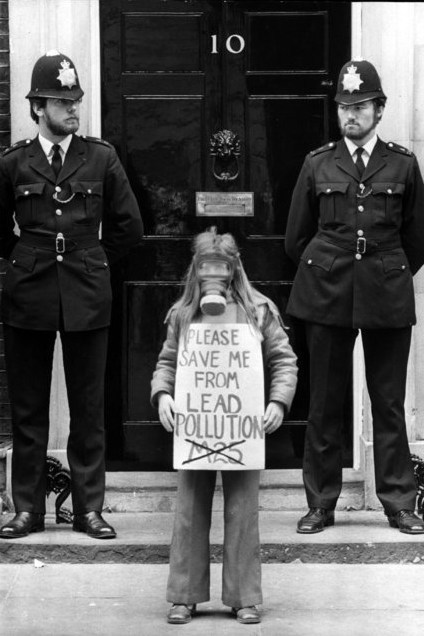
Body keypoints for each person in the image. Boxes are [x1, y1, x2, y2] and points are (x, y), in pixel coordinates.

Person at [0, 51, 143, 540]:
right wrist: (25, 254)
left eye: (75, 100)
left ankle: (88, 509)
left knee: (88, 408)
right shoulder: (15, 162)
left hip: (86, 290)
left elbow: (129, 226)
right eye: (62, 101)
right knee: (27, 408)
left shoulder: (100, 157)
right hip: (29, 291)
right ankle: (27, 510)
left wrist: (92, 257)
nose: (72, 110)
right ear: (38, 107)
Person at [285, 59, 424, 535]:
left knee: (387, 402)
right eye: (345, 106)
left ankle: (399, 502)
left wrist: (384, 268)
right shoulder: (318, 162)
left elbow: (417, 239)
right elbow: (296, 238)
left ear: (379, 110)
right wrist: (331, 265)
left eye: (361, 106)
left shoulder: (403, 163)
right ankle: (321, 502)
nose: (352, 115)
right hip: (327, 290)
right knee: (324, 401)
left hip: (385, 291)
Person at [151, 227, 297, 624]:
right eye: (205, 268)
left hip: (243, 426)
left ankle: (244, 596)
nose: (213, 276)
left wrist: (277, 403)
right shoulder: (183, 314)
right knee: (189, 510)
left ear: (235, 270)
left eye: (221, 268)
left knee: (243, 510)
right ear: (194, 271)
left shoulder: (258, 310)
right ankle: (184, 595)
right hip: (198, 426)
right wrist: (163, 395)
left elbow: (284, 360)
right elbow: (167, 362)